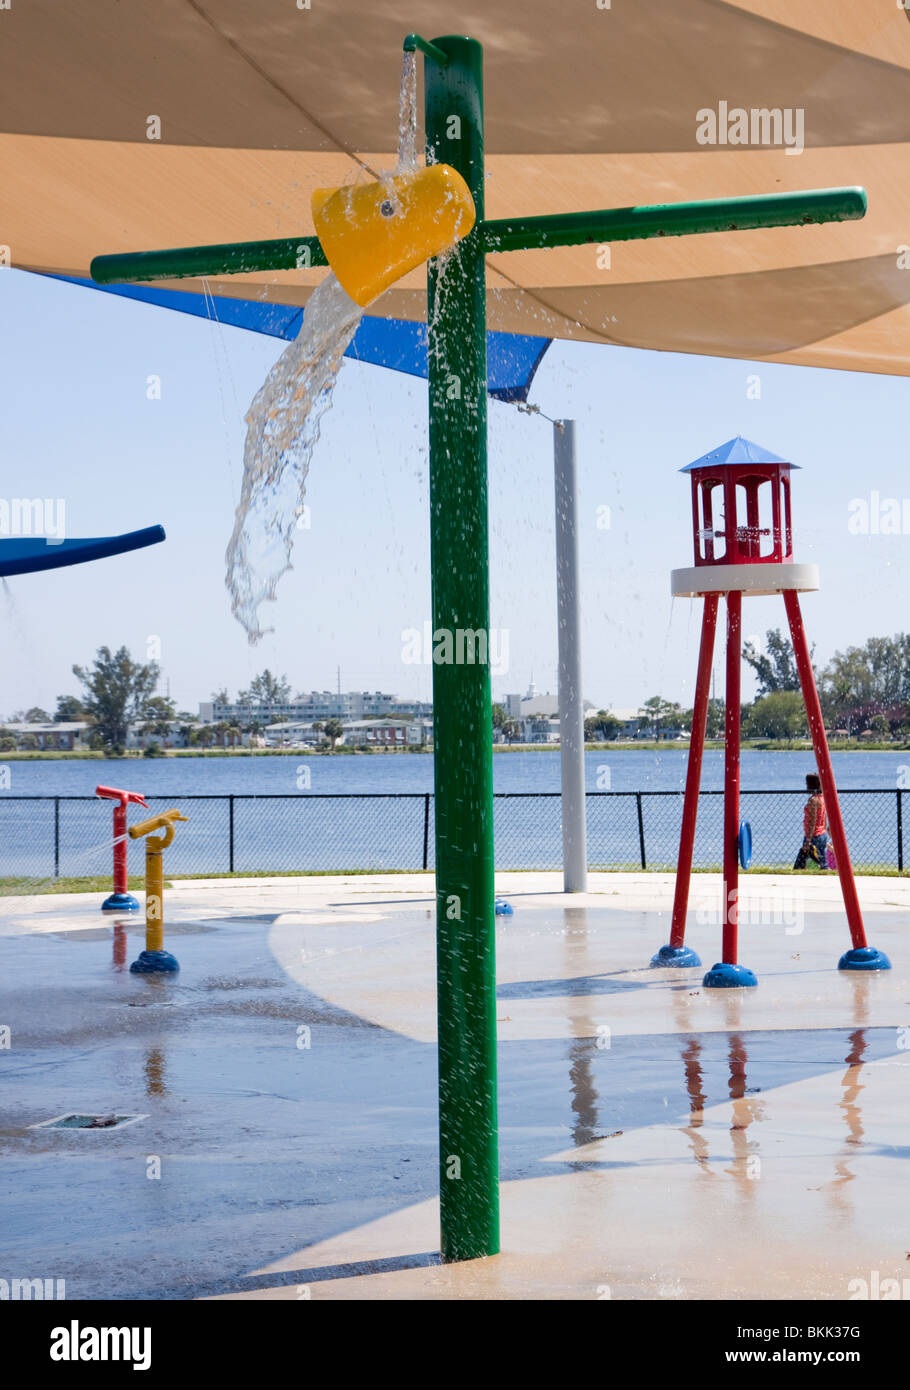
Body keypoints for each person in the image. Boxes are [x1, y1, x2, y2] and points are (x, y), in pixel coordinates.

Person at [794, 773, 828, 869]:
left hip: (814, 836)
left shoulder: (813, 800)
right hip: (822, 834)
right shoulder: (822, 798)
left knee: (804, 861)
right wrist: (824, 830)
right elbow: (824, 817)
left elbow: (812, 822)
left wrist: (808, 840)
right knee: (821, 861)